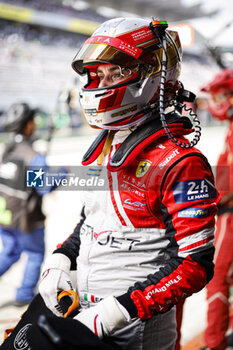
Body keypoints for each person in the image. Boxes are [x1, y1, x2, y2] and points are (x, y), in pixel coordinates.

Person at [39, 17, 220, 350]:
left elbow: (195, 265)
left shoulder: (182, 162)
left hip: (137, 330)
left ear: (153, 74)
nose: (103, 82)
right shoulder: (109, 146)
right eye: (97, 74)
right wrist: (61, 259)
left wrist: (117, 311)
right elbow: (92, 222)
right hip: (86, 314)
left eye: (117, 72)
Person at [0, 102, 66, 307]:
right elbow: (43, 188)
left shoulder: (8, 150)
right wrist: (62, 174)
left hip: (5, 214)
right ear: (28, 125)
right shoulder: (33, 156)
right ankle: (25, 293)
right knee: (35, 253)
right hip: (26, 218)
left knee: (10, 252)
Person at [200, 68, 233, 350]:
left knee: (217, 280)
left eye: (221, 96)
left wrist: (206, 200)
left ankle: (215, 342)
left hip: (229, 218)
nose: (216, 102)